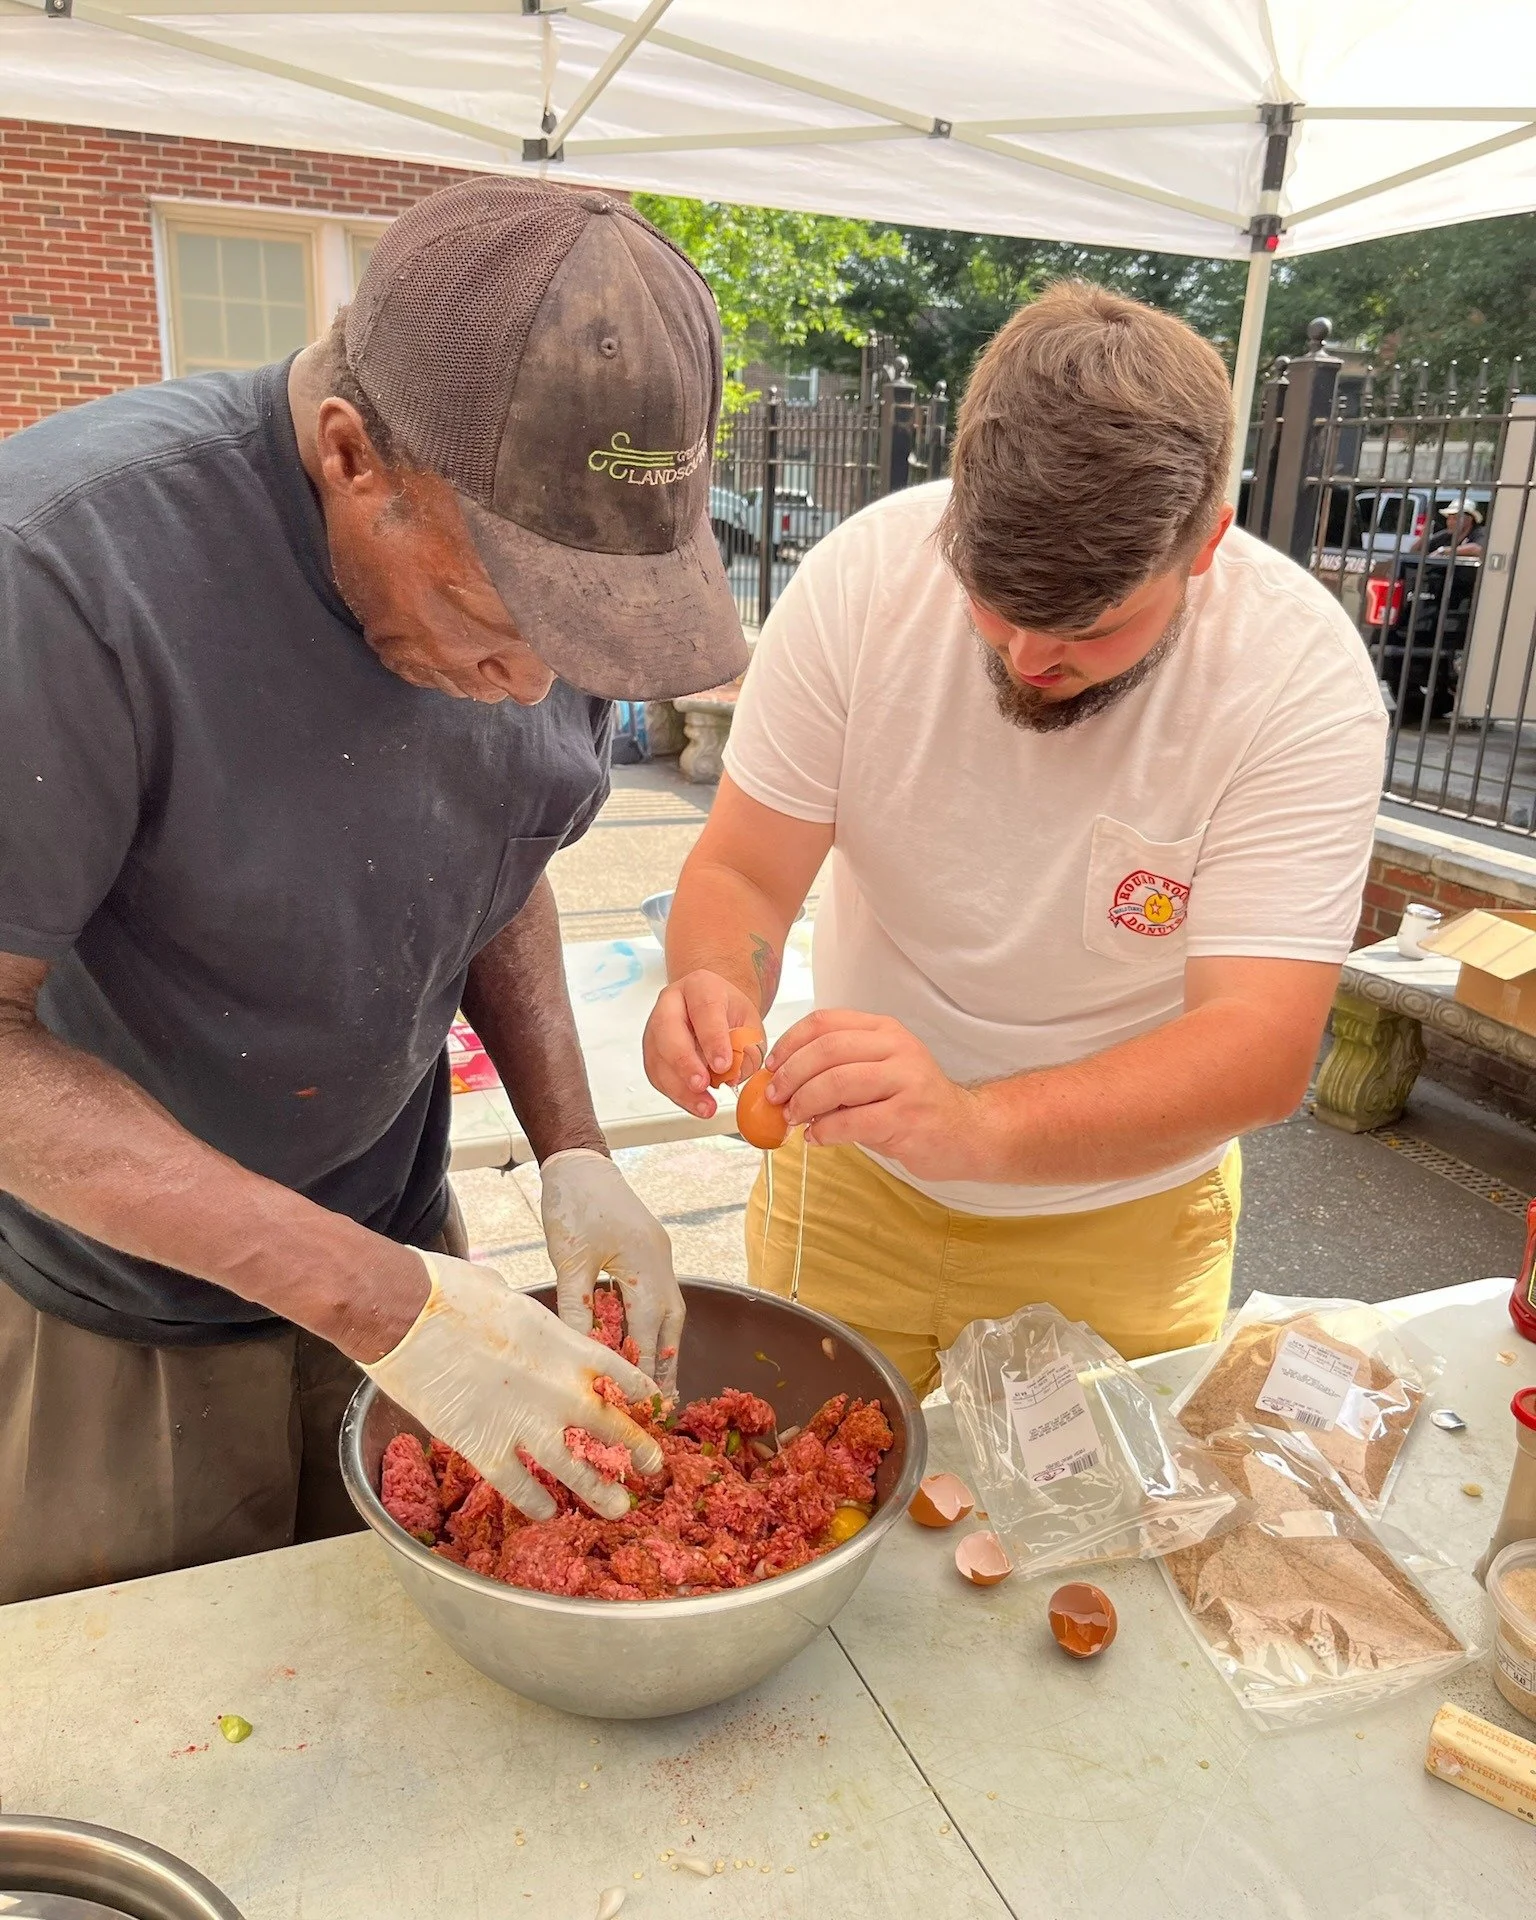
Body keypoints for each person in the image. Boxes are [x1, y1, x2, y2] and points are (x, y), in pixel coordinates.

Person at [0, 179, 747, 1602]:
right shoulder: (61, 570)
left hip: (407, 1247)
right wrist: (366, 1298)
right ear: (352, 455)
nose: (532, 684)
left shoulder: (526, 598)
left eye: (578, 644)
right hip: (122, 1319)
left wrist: (572, 1148)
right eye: (491, 619)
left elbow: (496, 831)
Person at [644, 282, 1387, 1393]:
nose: (1032, 655)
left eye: (1095, 625)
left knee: (1088, 1548)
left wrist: (974, 1125)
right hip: (849, 1182)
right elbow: (749, 868)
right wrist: (715, 979)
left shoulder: (1297, 680)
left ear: (1206, 545)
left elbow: (1259, 1045)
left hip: (1122, 1220)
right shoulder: (863, 581)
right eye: (993, 601)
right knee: (803, 1494)